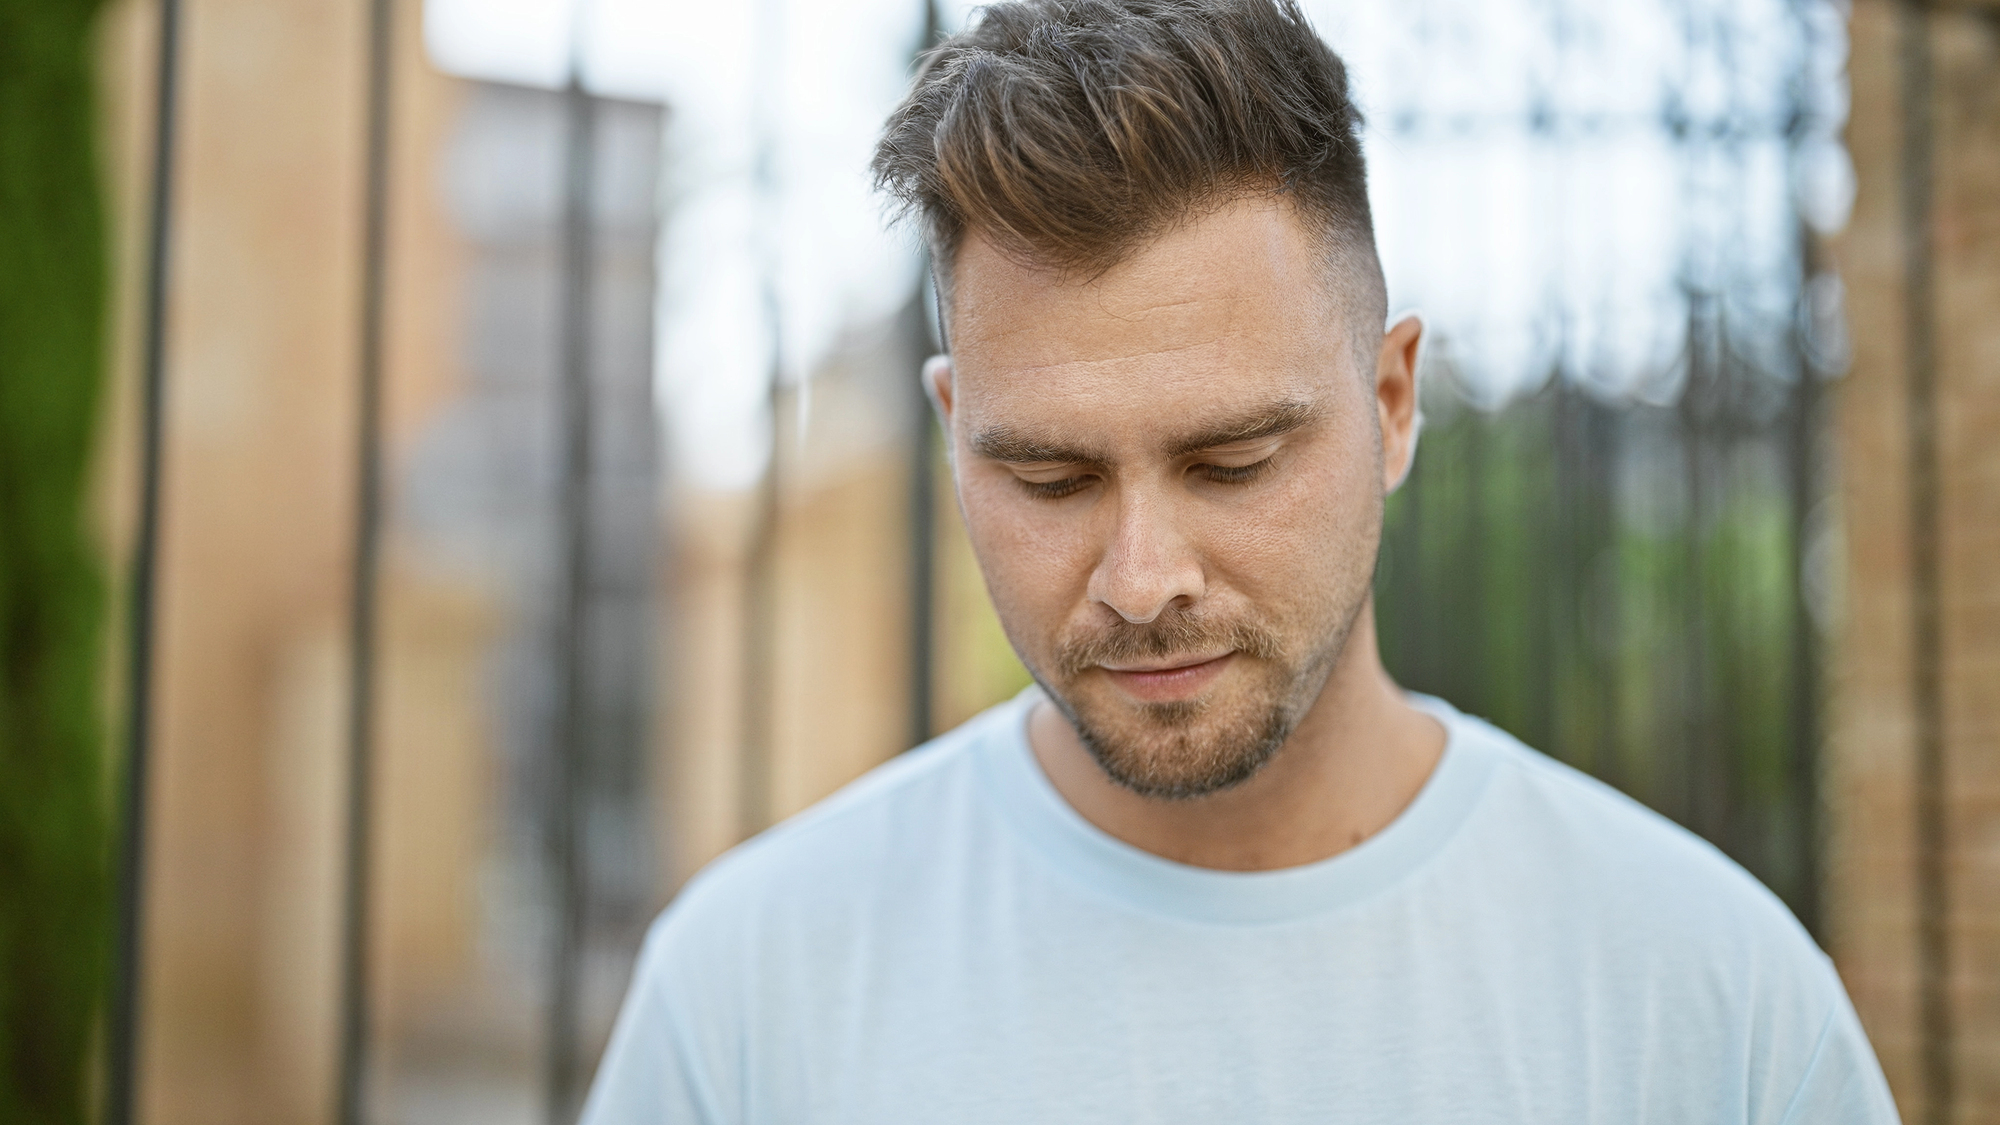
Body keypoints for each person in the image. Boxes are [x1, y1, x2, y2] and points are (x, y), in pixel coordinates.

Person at [581, 1, 1898, 1121]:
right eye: (1051, 477)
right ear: (951, 435)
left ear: (1391, 402)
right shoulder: (748, 997)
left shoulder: (1709, 1003)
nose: (1142, 578)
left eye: (1233, 464)